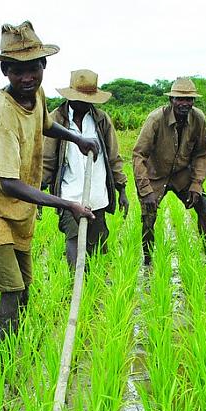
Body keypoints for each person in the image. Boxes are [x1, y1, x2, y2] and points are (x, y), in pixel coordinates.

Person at [0, 21, 99, 341]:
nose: (27, 77)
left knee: (25, 288)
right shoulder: (2, 115)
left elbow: (46, 125)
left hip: (19, 212)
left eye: (33, 69)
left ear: (44, 66)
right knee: (11, 291)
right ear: (5, 71)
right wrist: (67, 204)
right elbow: (9, 183)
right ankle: (9, 362)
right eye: (17, 70)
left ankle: (21, 344)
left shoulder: (34, 94)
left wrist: (76, 138)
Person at [42, 69, 129, 269]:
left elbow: (114, 156)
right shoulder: (56, 120)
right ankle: (77, 285)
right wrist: (40, 190)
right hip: (69, 195)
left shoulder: (101, 120)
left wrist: (121, 189)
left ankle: (95, 290)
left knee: (97, 246)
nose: (85, 103)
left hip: (97, 193)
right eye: (80, 98)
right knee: (73, 239)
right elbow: (47, 159)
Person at [132, 77, 206, 265]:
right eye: (180, 99)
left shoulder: (198, 119)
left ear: (193, 101)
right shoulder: (155, 119)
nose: (185, 103)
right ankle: (148, 258)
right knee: (148, 216)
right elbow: (138, 155)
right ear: (171, 100)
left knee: (202, 205)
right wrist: (146, 191)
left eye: (189, 99)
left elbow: (202, 153)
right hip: (155, 173)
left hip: (181, 173)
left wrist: (196, 184)